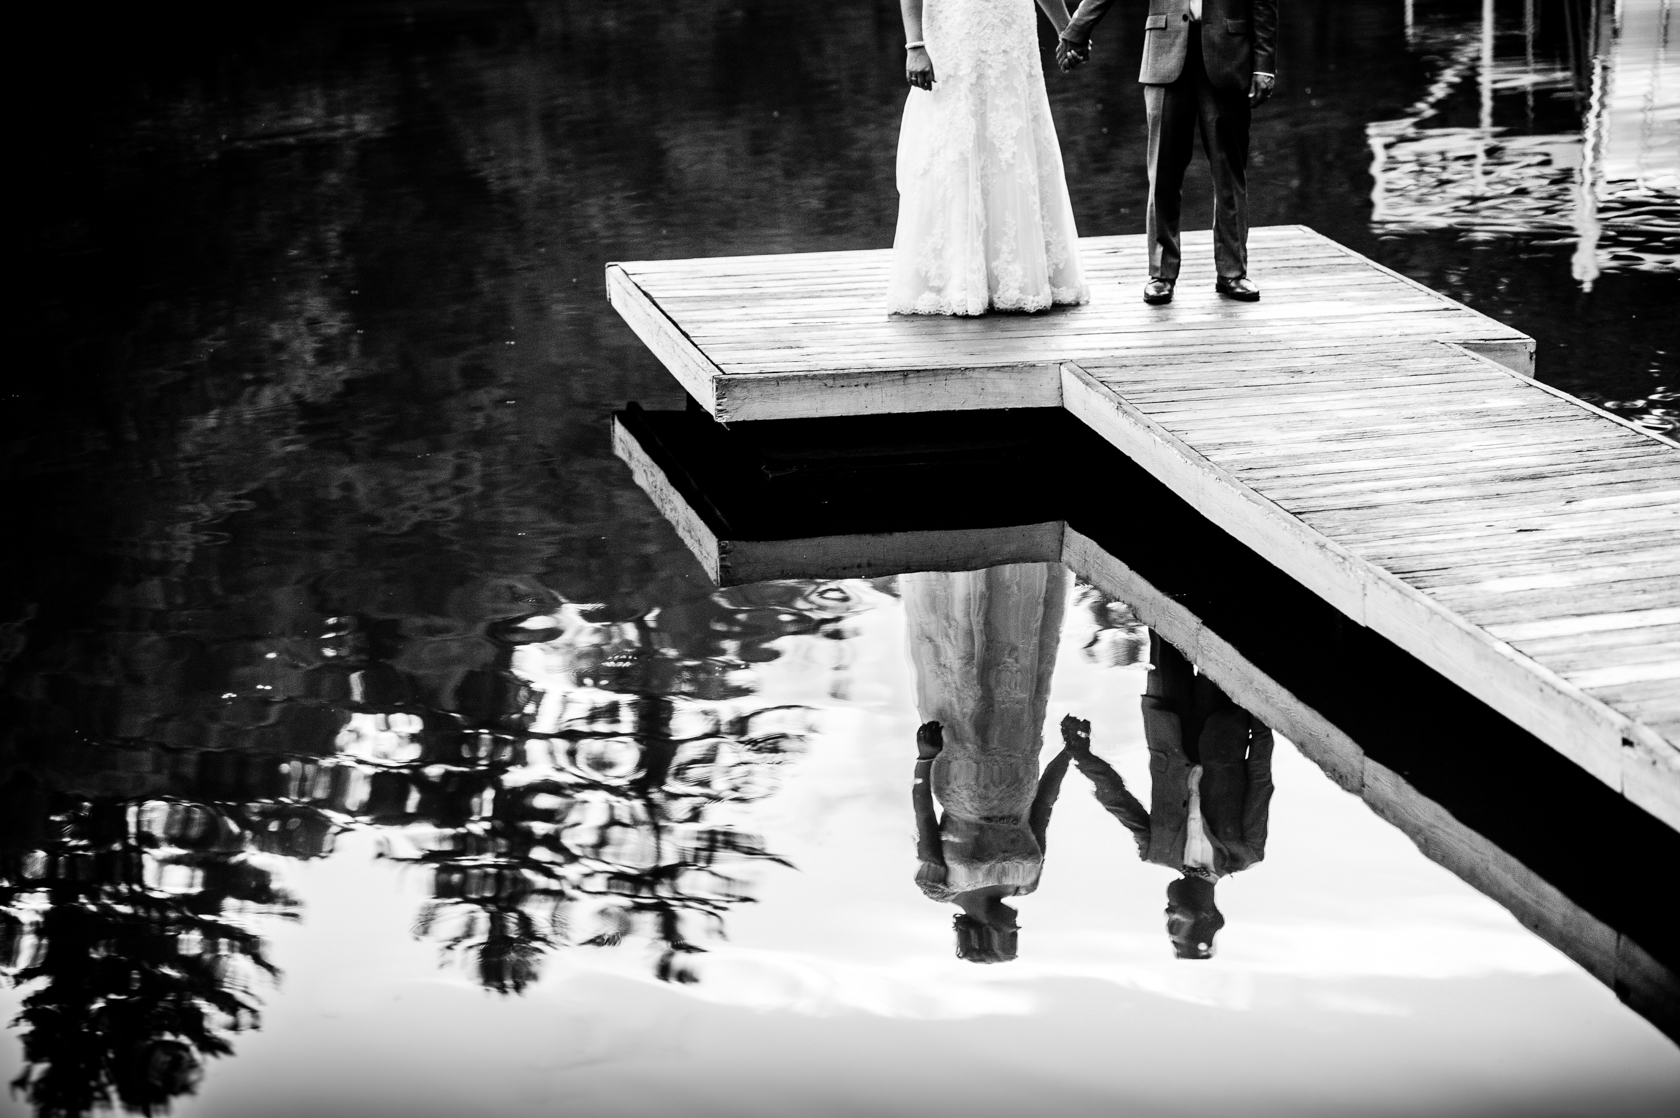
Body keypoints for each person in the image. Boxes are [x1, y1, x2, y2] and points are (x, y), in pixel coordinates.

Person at [1062, 633, 1274, 958]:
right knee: (1220, 641)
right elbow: (1260, 780)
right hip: (1222, 719)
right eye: (1176, 922)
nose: (1167, 913)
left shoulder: (1156, 851)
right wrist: (1259, 719)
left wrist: (1082, 754)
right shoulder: (1245, 852)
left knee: (1164, 632)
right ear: (1207, 916)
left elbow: (1119, 802)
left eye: (1167, 922)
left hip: (1165, 721)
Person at [903, 563, 1073, 962]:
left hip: (962, 776)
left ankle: (963, 581)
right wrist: (1068, 754)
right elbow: (1043, 811)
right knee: (1015, 677)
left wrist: (925, 760)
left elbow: (924, 817)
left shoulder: (941, 886)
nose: (1015, 926)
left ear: (983, 934)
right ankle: (1018, 575)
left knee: (966, 681)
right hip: (1020, 770)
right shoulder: (1026, 884)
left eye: (1008, 935)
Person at [1056, 0, 1277, 305]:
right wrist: (1077, 29)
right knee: (1163, 171)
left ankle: (1232, 273)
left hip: (1229, 56)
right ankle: (1161, 273)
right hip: (1164, 53)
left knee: (1230, 170)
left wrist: (1264, 64)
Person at [889, 0, 1091, 316]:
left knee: (1013, 139)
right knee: (955, 139)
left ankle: (1017, 276)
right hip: (955, 31)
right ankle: (955, 279)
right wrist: (915, 45)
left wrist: (1068, 29)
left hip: (1012, 30)